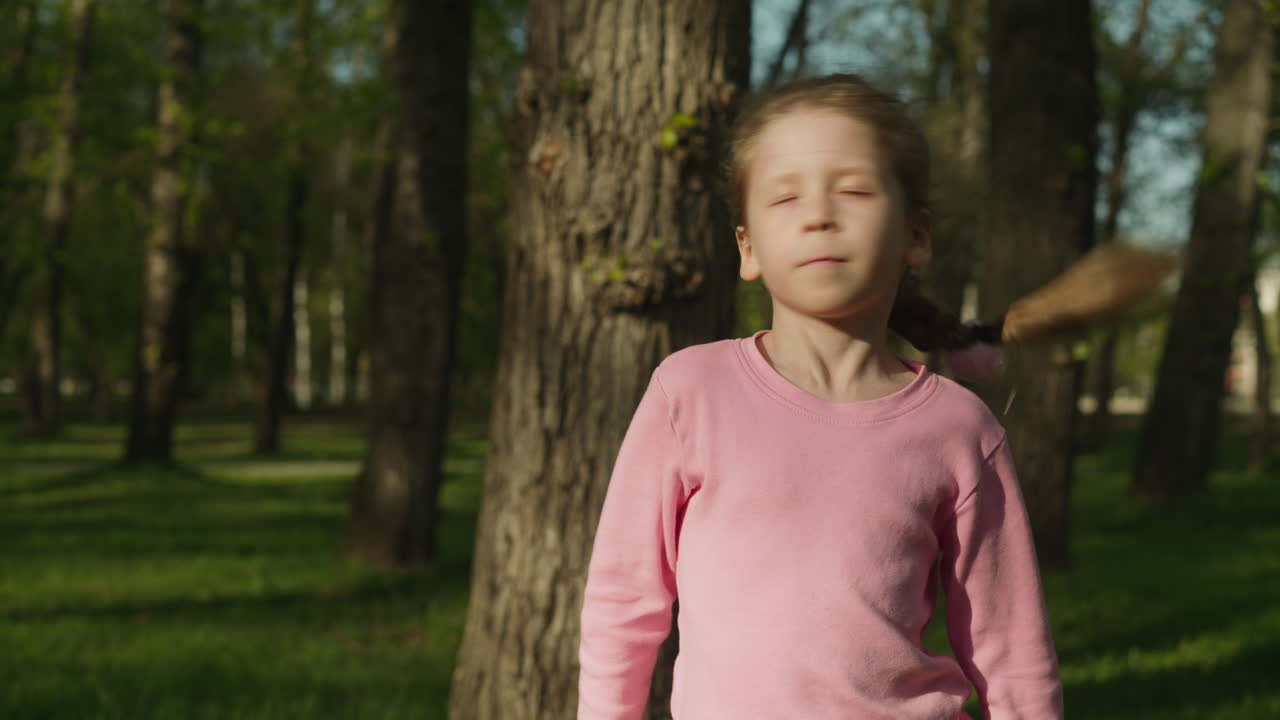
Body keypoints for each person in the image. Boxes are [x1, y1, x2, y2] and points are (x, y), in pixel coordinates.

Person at [576, 74, 1063, 720]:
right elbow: (623, 603)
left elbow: (1012, 647)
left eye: (854, 190)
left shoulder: (959, 428)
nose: (819, 214)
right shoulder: (690, 393)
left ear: (916, 237)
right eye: (785, 197)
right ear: (747, 247)